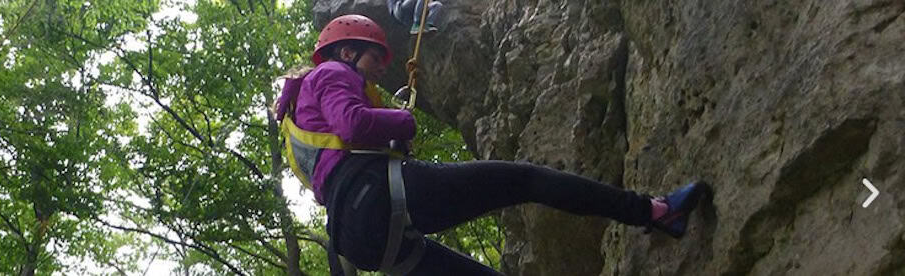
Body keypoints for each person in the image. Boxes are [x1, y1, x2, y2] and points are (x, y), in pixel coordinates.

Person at [274, 14, 710, 276]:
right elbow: (352, 124)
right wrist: (402, 121)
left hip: (358, 236)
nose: (376, 71)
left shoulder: (298, 118)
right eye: (373, 59)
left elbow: (338, 154)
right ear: (347, 52)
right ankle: (654, 212)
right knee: (524, 180)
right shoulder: (332, 73)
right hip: (378, 196)